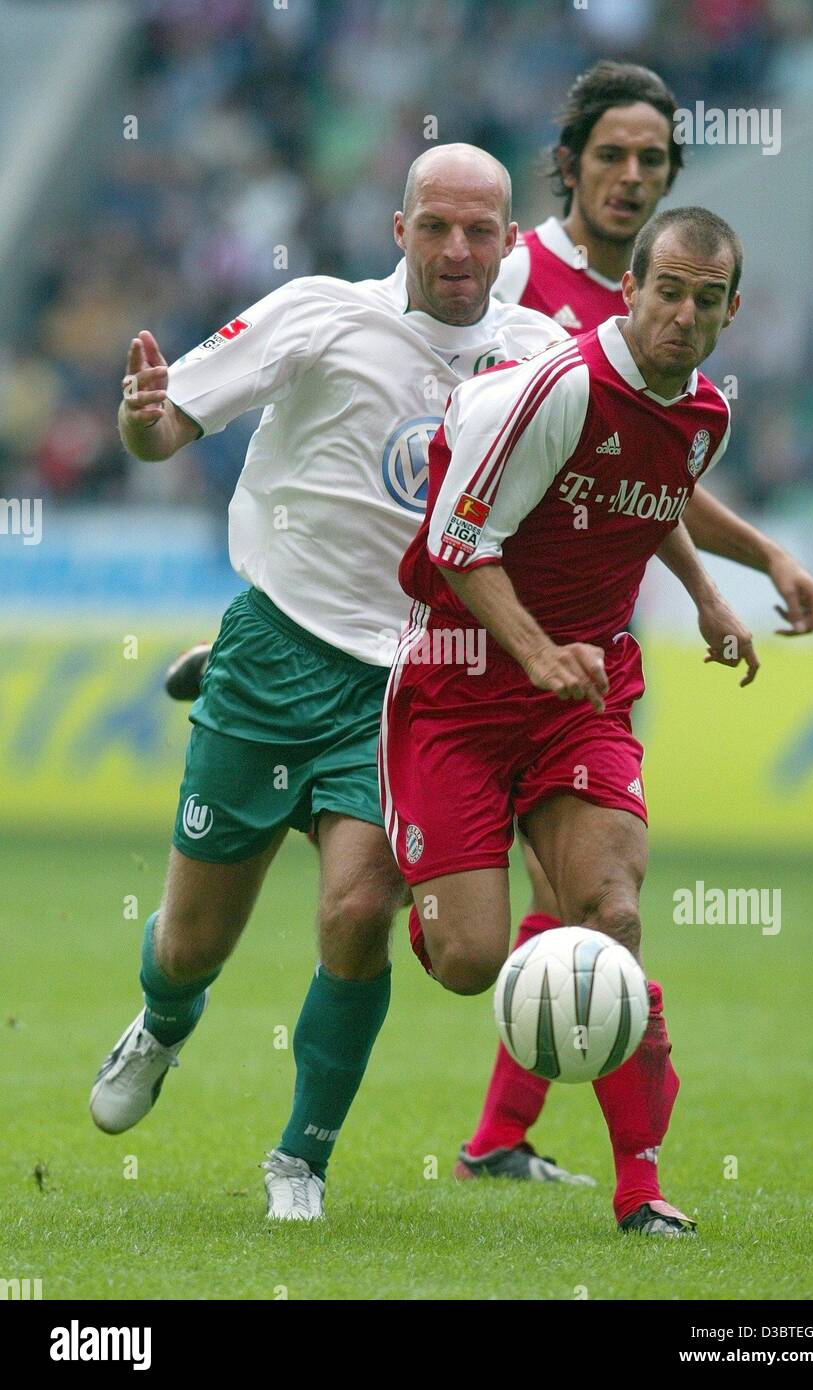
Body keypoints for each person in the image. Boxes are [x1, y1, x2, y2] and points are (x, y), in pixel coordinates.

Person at [89, 144, 586, 1219]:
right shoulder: (322, 313)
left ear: (509, 245)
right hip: (277, 651)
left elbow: (591, 498)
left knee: (358, 910)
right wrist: (141, 420)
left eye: (481, 232)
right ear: (398, 230)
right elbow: (170, 422)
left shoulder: (544, 355)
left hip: (415, 683)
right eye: (437, 227)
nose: (458, 250)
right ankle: (164, 1022)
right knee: (190, 942)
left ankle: (299, 1159)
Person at [455, 60, 813, 1182]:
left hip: (585, 652)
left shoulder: (673, 304)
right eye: (610, 155)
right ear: (566, 163)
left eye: (652, 160)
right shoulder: (512, 275)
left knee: (582, 899)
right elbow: (483, 459)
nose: (629, 176)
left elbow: (638, 476)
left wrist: (741, 567)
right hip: (468, 625)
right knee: (413, 911)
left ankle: (505, 1140)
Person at [381, 207, 769, 1236]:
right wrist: (536, 650)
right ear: (631, 288)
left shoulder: (704, 416)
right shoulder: (558, 390)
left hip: (584, 693)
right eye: (668, 292)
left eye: (707, 299)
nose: (683, 316)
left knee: (614, 917)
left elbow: (653, 504)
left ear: (733, 311)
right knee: (468, 960)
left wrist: (711, 598)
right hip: (461, 687)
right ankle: (409, 872)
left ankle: (639, 1187)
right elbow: (457, 543)